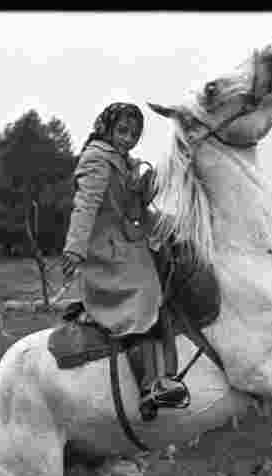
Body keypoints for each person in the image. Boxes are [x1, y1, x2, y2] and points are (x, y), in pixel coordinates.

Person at [61, 102, 189, 421]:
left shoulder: (127, 162)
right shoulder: (96, 159)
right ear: (106, 128)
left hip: (127, 242)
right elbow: (86, 205)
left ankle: (170, 374)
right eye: (122, 132)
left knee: (168, 284)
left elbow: (136, 209)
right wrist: (75, 249)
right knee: (143, 296)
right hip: (105, 251)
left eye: (134, 134)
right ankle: (148, 388)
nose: (128, 139)